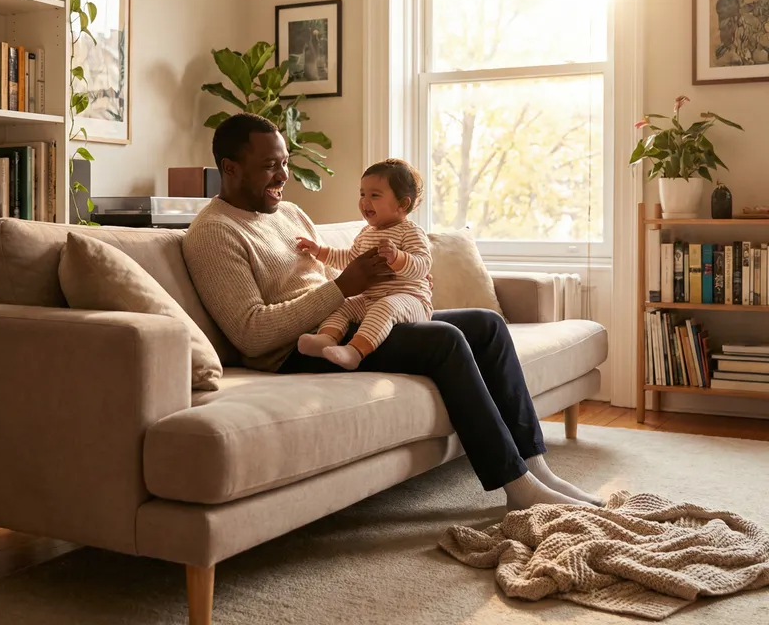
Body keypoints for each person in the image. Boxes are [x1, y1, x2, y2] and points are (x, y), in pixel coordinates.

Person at [182, 114, 602, 510]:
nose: (283, 176)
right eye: (270, 166)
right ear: (230, 168)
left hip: (346, 318)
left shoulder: (289, 212)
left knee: (487, 325)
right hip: (298, 349)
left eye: (285, 163)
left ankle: (536, 468)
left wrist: (388, 281)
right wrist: (344, 288)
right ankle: (518, 486)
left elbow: (328, 273)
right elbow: (252, 334)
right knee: (445, 340)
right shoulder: (214, 232)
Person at [295, 158, 432, 370]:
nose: (364, 202)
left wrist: (398, 258)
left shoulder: (410, 231)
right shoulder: (366, 233)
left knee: (386, 306)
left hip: (410, 301)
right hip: (370, 300)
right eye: (362, 194)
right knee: (342, 305)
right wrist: (319, 251)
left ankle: (355, 352)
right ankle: (326, 339)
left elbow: (423, 265)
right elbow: (350, 259)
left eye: (374, 195)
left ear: (402, 204)